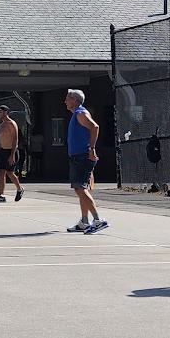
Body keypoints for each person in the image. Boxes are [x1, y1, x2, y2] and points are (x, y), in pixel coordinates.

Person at [65, 89, 105, 233]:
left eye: (68, 99)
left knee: (80, 188)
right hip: (78, 157)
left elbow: (95, 127)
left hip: (82, 157)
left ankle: (98, 220)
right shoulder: (77, 114)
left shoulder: (80, 113)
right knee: (81, 189)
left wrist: (92, 148)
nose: (65, 101)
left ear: (75, 100)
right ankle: (84, 221)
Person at [0, 105, 25, 202]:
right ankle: (1, 195)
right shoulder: (0, 125)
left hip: (11, 151)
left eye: (0, 112)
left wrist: (12, 155)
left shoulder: (12, 124)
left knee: (10, 173)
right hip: (3, 151)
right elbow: (1, 141)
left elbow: (15, 140)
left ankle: (19, 189)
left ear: (6, 112)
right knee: (1, 172)